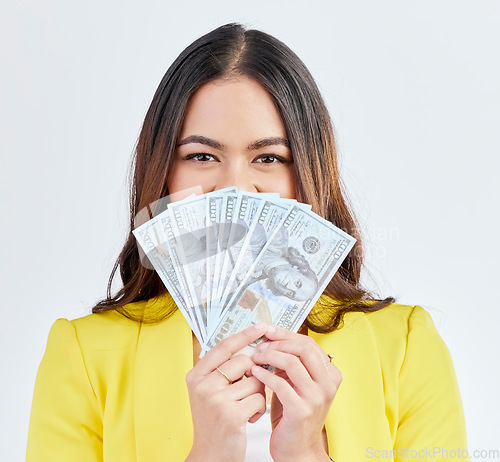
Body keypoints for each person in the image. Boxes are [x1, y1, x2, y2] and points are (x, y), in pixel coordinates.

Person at [26, 23, 469, 462]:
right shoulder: (83, 356)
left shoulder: (406, 348)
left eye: (269, 158)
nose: (234, 189)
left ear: (308, 176)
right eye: (201, 156)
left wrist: (308, 455)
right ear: (162, 171)